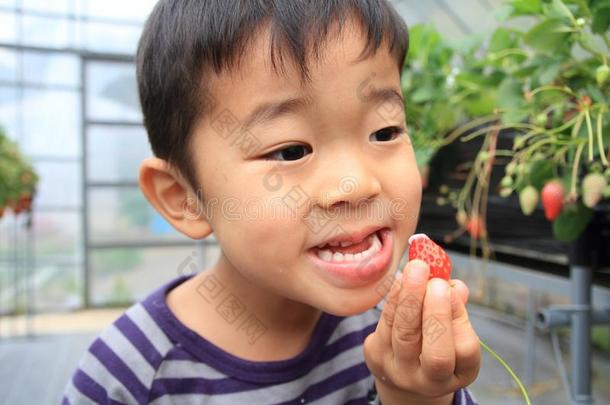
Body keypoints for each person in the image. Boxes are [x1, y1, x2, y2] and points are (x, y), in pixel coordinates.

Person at [62, 1, 481, 403]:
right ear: (185, 198)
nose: (356, 186)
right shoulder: (127, 378)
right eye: (290, 151)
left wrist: (416, 397)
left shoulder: (398, 326)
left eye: (385, 131)